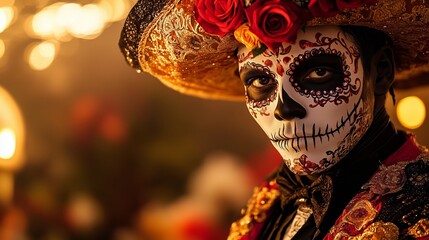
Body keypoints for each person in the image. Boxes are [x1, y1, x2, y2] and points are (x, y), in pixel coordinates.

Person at [119, 0, 429, 239]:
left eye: (318, 72)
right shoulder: (273, 198)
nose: (283, 109)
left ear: (382, 71)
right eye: (259, 81)